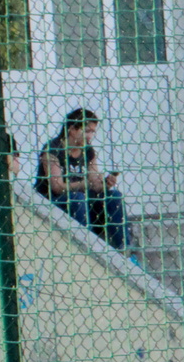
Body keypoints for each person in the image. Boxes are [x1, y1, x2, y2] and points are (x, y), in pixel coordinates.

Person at [37, 108, 136, 257]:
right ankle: (87, 247)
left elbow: (94, 182)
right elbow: (57, 187)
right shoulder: (53, 149)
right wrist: (85, 184)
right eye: (87, 131)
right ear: (72, 129)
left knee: (114, 196)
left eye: (93, 132)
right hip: (55, 202)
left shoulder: (88, 150)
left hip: (84, 202)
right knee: (77, 198)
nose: (90, 136)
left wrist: (104, 184)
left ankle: (124, 250)